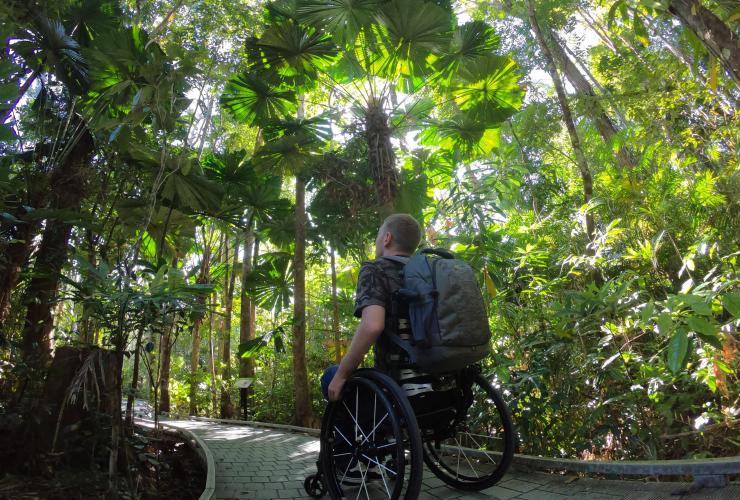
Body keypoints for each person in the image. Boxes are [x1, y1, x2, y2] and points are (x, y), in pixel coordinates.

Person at [321, 213, 422, 402]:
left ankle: (353, 432)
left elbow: (372, 326)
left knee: (331, 375)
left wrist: (342, 375)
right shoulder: (429, 273)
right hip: (441, 379)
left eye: (378, 235)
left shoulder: (375, 268)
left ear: (387, 238)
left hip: (395, 385)